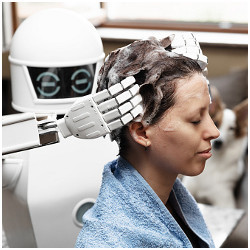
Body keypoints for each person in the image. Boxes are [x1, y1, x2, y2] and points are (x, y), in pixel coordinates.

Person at [75, 34, 220, 248]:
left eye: (208, 115)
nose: (214, 131)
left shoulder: (172, 201)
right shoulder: (108, 242)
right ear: (141, 132)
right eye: (196, 120)